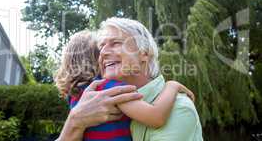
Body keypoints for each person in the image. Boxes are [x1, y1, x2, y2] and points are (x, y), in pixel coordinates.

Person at [56, 17, 203, 141]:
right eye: (101, 47)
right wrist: (172, 85)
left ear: (144, 53)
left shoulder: (178, 108)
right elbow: (156, 117)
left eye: (116, 43)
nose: (104, 52)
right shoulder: (107, 93)